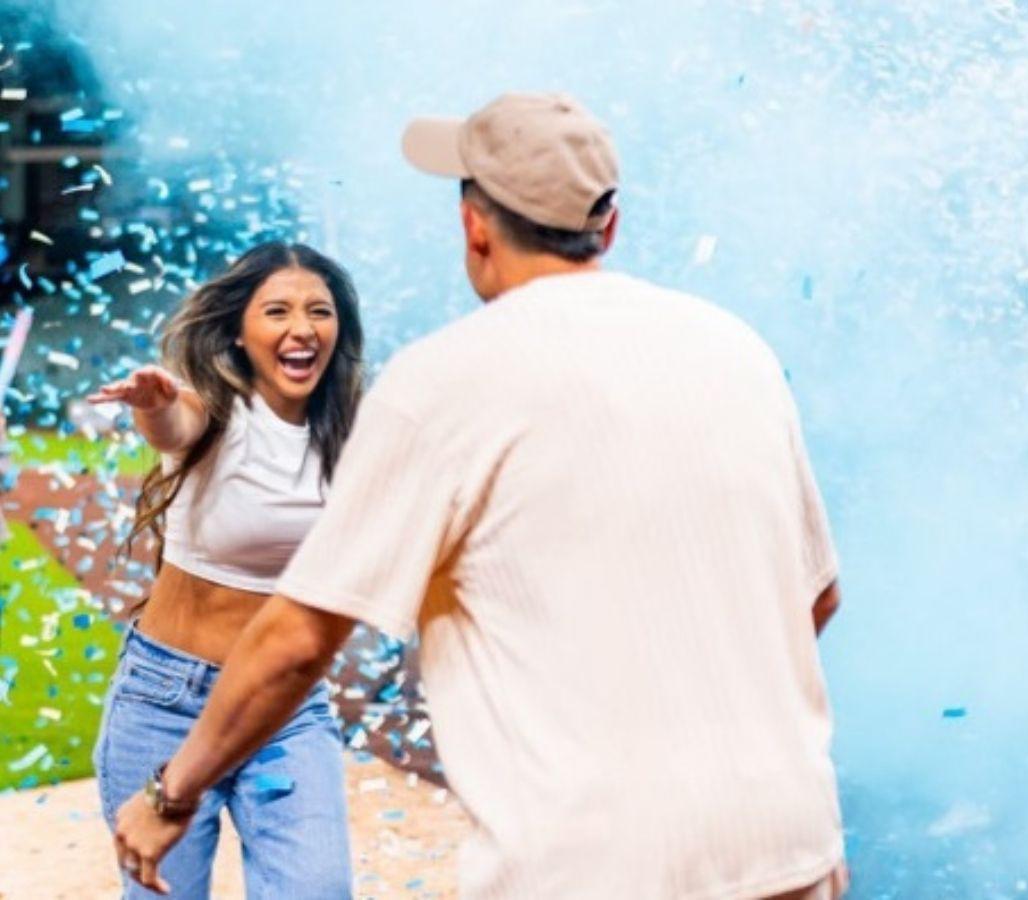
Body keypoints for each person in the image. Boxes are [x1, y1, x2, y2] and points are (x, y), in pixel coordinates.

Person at [113, 93, 848, 899]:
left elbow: (297, 640)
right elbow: (815, 598)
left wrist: (169, 794)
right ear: (608, 226)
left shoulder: (439, 384)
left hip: (591, 864)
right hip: (790, 846)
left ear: (475, 226)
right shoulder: (735, 350)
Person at [89, 241, 365, 898]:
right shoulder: (214, 411)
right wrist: (154, 403)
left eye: (319, 311)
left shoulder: (356, 435)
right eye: (277, 311)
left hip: (284, 706)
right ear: (240, 332)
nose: (302, 328)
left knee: (317, 888)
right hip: (165, 700)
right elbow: (171, 424)